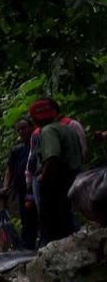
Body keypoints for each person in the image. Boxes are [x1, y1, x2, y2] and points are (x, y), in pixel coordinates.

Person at [30, 99, 83, 245]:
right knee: (67, 220)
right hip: (73, 177)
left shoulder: (48, 131)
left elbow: (53, 157)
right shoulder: (67, 128)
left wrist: (43, 177)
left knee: (53, 225)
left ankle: (51, 256)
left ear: (35, 117)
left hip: (57, 181)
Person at [4, 118, 38, 250]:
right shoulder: (17, 150)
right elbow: (10, 169)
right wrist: (6, 186)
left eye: (23, 128)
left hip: (39, 187)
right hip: (23, 190)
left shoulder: (39, 145)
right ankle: (28, 247)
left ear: (32, 127)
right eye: (18, 130)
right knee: (26, 220)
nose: (21, 131)